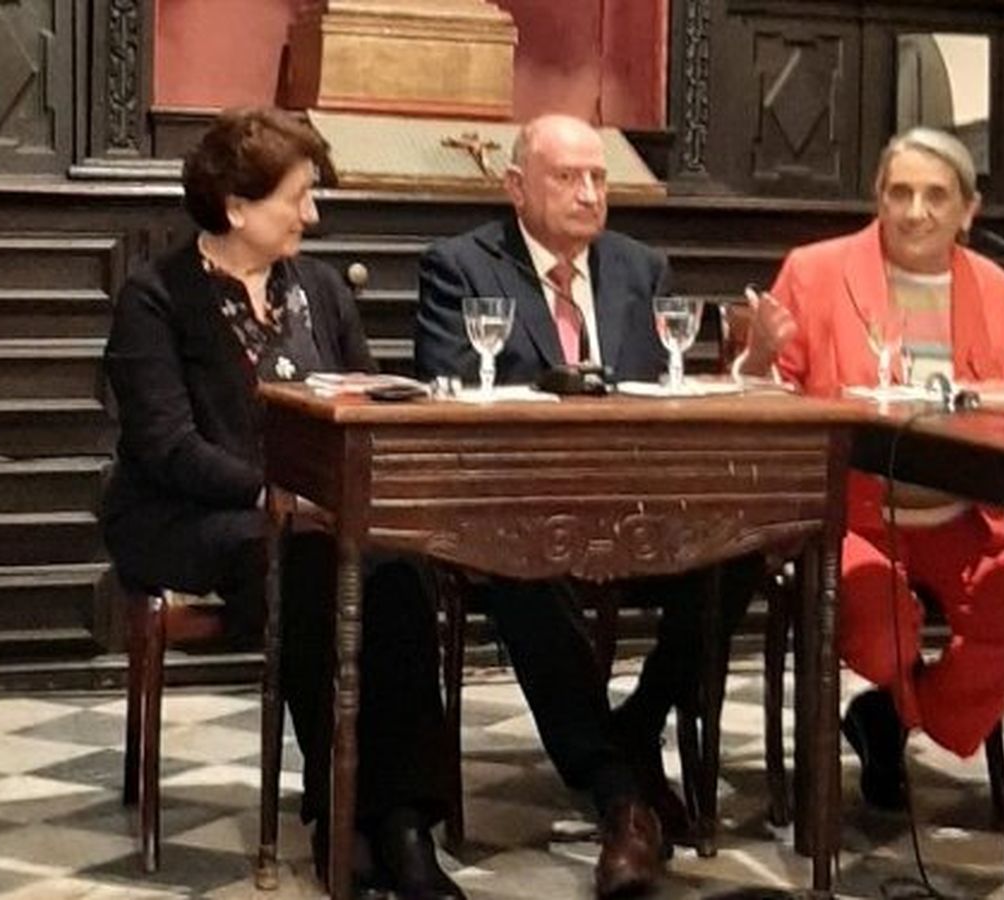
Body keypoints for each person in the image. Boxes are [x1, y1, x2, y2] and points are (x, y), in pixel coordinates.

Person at [103, 107, 464, 899]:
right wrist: (275, 491)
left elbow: (365, 399)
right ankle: (342, 818)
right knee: (304, 564)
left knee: (399, 569)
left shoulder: (322, 290)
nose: (314, 214)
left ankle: (400, 823)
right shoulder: (154, 297)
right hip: (185, 514)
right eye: (298, 197)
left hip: (311, 511)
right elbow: (168, 447)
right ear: (236, 205)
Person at [414, 113, 760, 898]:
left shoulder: (641, 268)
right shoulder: (462, 267)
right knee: (522, 570)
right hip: (516, 508)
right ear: (516, 188)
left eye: (599, 178)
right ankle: (621, 795)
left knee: (744, 547)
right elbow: (451, 384)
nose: (588, 193)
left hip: (637, 504)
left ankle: (636, 723)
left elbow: (667, 392)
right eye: (567, 177)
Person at [735, 127, 1004, 808]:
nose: (915, 211)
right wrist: (757, 357)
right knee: (881, 636)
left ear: (969, 211)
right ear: (877, 197)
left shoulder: (999, 289)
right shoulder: (814, 273)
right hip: (853, 515)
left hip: (966, 515)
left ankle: (890, 717)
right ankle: (891, 705)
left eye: (937, 196)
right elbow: (765, 398)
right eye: (899, 192)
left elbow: (984, 406)